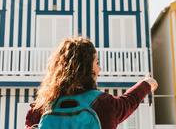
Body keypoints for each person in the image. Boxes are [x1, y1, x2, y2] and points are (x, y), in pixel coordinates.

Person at [25, 36, 158, 129]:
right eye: (97, 63)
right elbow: (127, 102)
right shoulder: (103, 103)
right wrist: (146, 83)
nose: (100, 68)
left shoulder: (41, 108)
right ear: (85, 68)